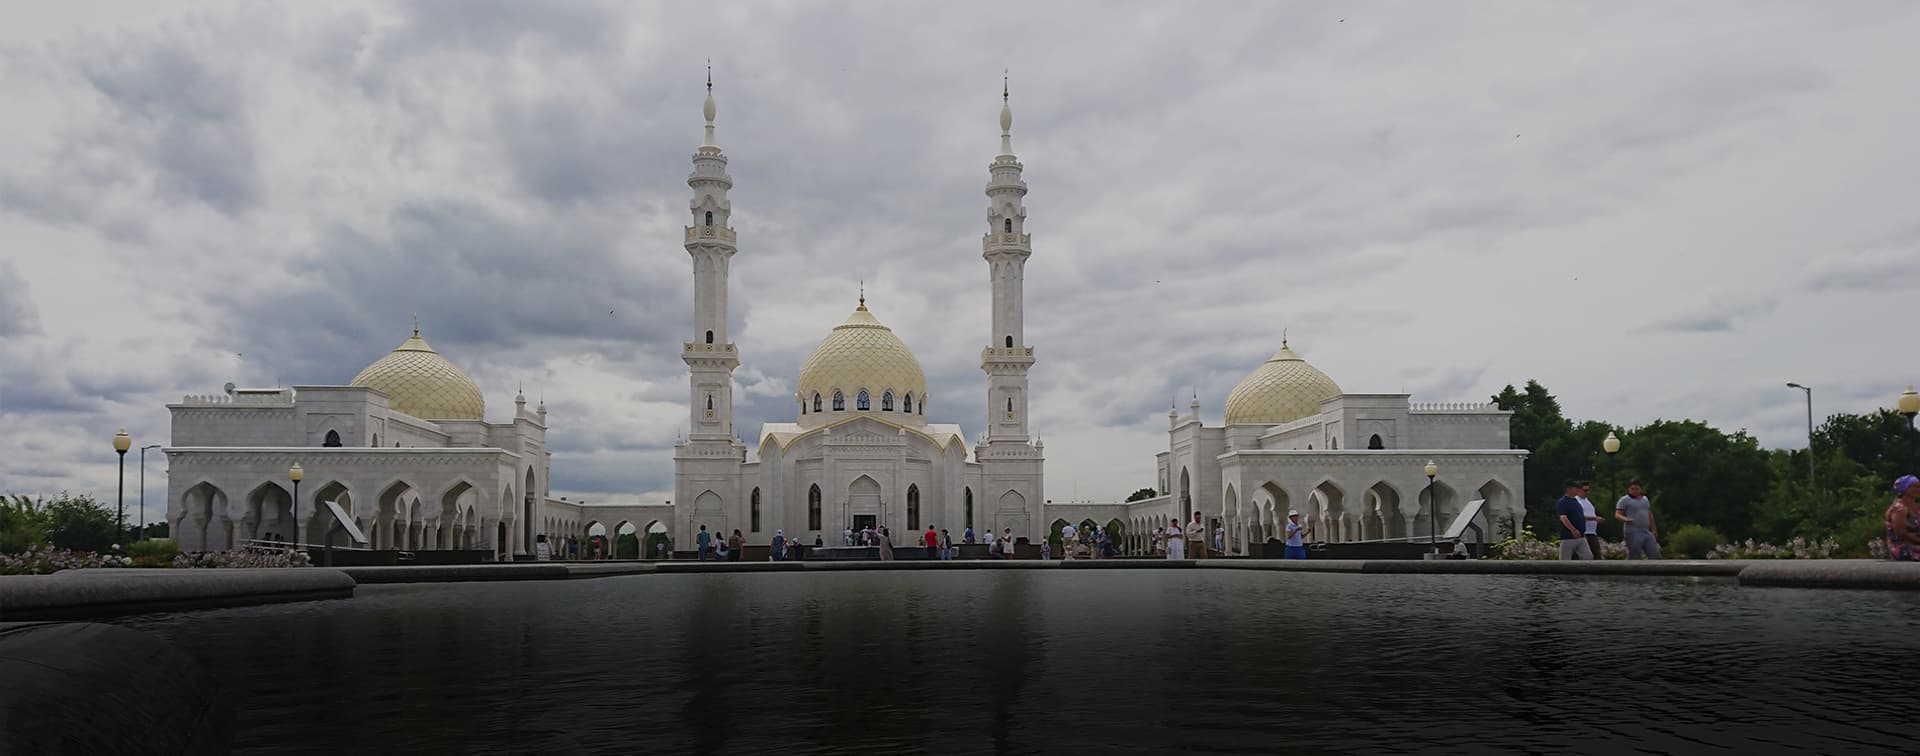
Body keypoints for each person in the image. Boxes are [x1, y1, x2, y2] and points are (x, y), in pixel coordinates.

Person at [1613, 479, 1662, 560]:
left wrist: (1654, 529)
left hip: (1646, 531)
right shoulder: (1624, 500)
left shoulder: (1645, 499)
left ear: (1640, 489)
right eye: (1632, 489)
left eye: (1637, 489)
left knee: (1655, 553)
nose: (1634, 491)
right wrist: (1625, 519)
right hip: (1633, 531)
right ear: (1629, 489)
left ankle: (1655, 571)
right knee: (1635, 554)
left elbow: (1649, 514)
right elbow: (1617, 514)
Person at [1555, 480, 1592, 560]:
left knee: (1588, 557)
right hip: (1568, 537)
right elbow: (1563, 518)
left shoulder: (1575, 501)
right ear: (1569, 489)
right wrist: (1573, 530)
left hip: (1580, 536)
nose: (1578, 490)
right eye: (1576, 488)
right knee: (1565, 559)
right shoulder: (1563, 502)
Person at [1886, 475, 1920, 561]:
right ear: (1905, 489)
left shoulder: (1917, 507)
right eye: (1915, 487)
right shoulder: (1899, 508)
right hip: (1904, 547)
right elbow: (1901, 533)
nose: (1918, 489)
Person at [1578, 482, 1604, 559]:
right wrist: (1595, 518)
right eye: (1585, 490)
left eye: (1588, 490)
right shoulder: (1576, 501)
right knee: (1587, 555)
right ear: (1578, 490)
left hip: (1591, 532)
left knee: (1596, 554)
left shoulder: (1587, 501)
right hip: (1583, 532)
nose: (1587, 492)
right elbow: (1578, 516)